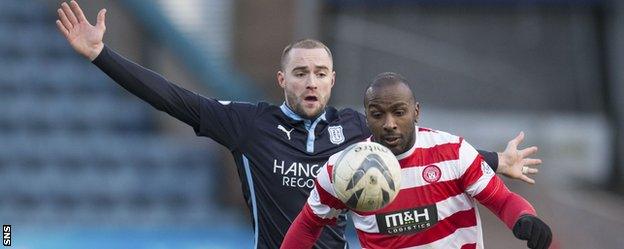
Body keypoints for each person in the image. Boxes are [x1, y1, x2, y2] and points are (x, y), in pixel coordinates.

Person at [54, 2, 542, 248]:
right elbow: (174, 99)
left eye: (321, 73)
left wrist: (496, 161)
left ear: (333, 80)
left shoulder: (358, 128)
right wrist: (101, 55)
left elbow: (422, 149)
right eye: (302, 72)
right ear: (282, 78)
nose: (312, 82)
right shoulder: (246, 123)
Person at [281, 72, 552, 249]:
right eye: (377, 114)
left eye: (399, 112)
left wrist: (524, 219)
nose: (389, 124)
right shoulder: (342, 169)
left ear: (416, 112)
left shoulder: (454, 151)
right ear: (366, 116)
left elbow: (502, 200)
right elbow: (308, 224)